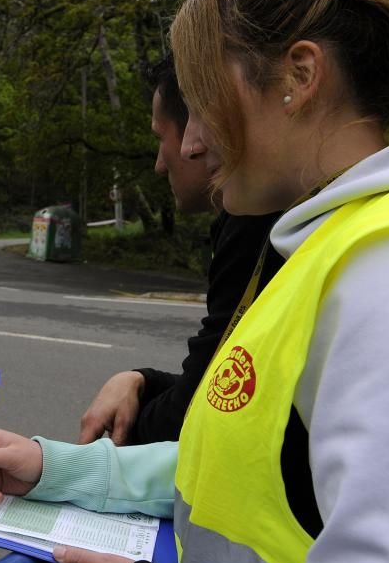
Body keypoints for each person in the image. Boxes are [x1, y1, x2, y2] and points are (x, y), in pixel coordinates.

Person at [0, 0, 389, 563]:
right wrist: (56, 468)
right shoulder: (322, 248)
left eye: (202, 101)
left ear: (299, 76)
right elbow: (241, 461)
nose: (192, 140)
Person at [79, 55, 283, 448]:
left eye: (162, 136)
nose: (186, 149)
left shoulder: (260, 223)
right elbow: (223, 382)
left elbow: (198, 414)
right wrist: (144, 382)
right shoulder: (258, 220)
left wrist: (76, 462)